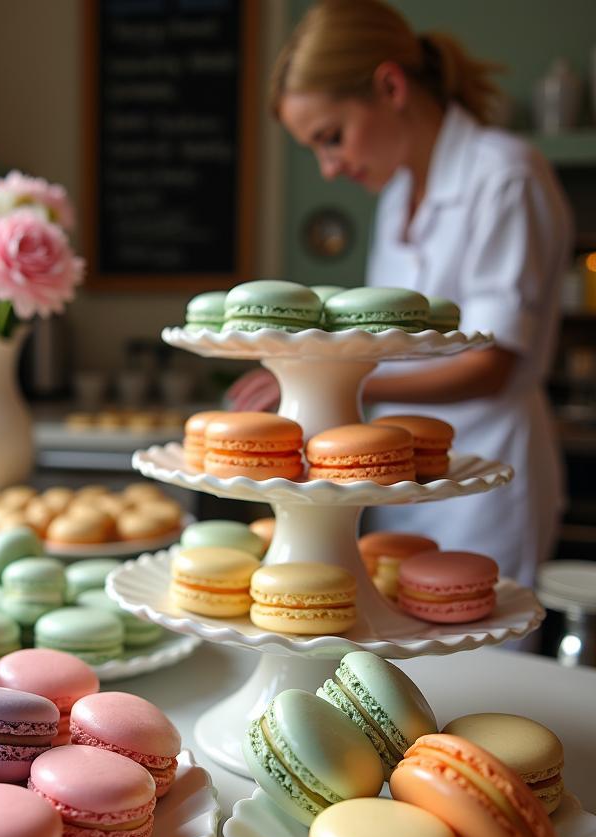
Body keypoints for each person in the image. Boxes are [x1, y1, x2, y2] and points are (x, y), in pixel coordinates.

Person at [229, 0, 572, 586]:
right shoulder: (395, 198)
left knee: (480, 663)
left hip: (485, 479)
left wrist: (336, 379)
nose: (330, 167)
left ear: (390, 86)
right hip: (397, 472)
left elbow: (492, 365)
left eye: (331, 138)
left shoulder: (505, 176)